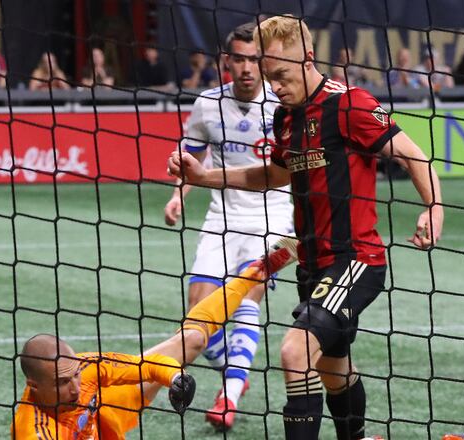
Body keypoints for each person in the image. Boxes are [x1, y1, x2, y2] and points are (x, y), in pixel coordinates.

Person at [168, 14, 444, 440]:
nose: (274, 86)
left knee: (295, 352)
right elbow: (273, 176)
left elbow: (412, 155)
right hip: (310, 264)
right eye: (268, 77)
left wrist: (433, 207)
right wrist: (203, 178)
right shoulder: (285, 117)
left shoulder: (349, 104)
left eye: (280, 75)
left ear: (308, 59)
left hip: (355, 260)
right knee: (334, 371)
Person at [12, 238, 299, 439]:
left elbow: (145, 367)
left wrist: (175, 379)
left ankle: (257, 270)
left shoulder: (84, 370)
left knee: (192, 342)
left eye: (73, 376)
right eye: (62, 382)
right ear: (33, 387)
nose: (74, 386)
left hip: (107, 406)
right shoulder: (33, 432)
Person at [163, 22, 294, 431]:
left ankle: (229, 396)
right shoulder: (207, 104)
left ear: (265, 61)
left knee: (247, 293)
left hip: (272, 214)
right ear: (227, 61)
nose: (246, 68)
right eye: (238, 59)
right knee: (197, 317)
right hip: (222, 217)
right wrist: (177, 196)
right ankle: (237, 372)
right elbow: (191, 159)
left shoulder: (283, 104)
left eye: (254, 59)